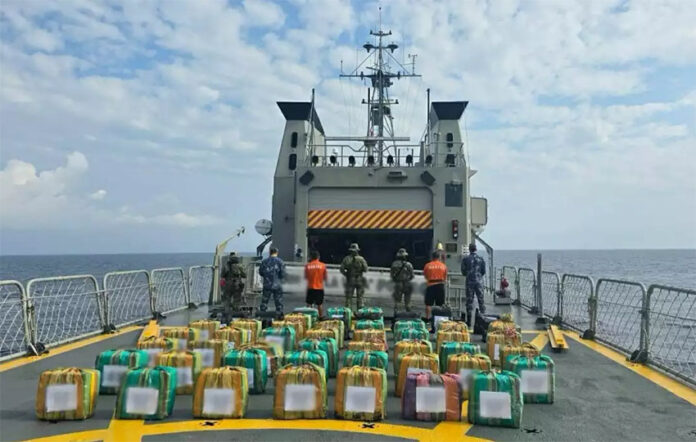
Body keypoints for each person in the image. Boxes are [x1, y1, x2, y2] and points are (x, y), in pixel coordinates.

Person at [461, 243, 486, 323]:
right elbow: (483, 271)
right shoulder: (481, 259)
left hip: (469, 282)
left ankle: (469, 321)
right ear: (476, 249)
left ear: (469, 249)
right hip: (479, 282)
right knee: (481, 300)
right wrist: (478, 276)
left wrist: (469, 274)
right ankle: (483, 319)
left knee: (469, 301)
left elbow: (463, 271)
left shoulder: (465, 259)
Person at [340, 243, 368, 310]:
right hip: (359, 279)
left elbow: (342, 269)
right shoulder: (361, 259)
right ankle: (360, 313)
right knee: (360, 298)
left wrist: (346, 274)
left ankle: (348, 313)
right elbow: (366, 269)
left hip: (350, 279)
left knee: (348, 298)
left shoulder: (346, 259)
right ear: (357, 250)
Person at [258, 247, 286, 315]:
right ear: (277, 252)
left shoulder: (264, 261)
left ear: (270, 252)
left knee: (264, 301)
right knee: (278, 301)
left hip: (267, 284)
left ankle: (262, 315)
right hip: (277, 284)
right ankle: (279, 315)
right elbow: (282, 274)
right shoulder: (280, 261)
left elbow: (261, 272)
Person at [220, 252, 246, 323]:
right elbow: (244, 275)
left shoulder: (226, 266)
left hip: (228, 284)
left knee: (227, 300)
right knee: (237, 300)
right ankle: (235, 316)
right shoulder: (240, 266)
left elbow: (222, 275)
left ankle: (226, 316)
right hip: (237, 284)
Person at [423, 251, 448, 320]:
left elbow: (425, 275)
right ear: (439, 257)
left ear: (432, 257)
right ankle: (438, 318)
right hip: (440, 285)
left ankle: (427, 318)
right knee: (440, 304)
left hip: (430, 285)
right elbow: (445, 276)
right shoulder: (443, 266)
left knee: (428, 304)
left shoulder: (427, 265)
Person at [390, 248, 414, 315]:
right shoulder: (409, 264)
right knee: (407, 301)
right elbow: (412, 275)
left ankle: (396, 315)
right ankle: (409, 315)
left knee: (397, 301)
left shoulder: (394, 264)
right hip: (407, 283)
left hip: (398, 283)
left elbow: (392, 275)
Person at [304, 250, 327, 317]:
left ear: (311, 257)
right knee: (319, 304)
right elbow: (325, 277)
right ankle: (320, 317)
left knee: (309, 303)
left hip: (310, 287)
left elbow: (306, 277)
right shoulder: (323, 266)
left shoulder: (308, 266)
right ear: (318, 257)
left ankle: (308, 317)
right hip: (319, 287)